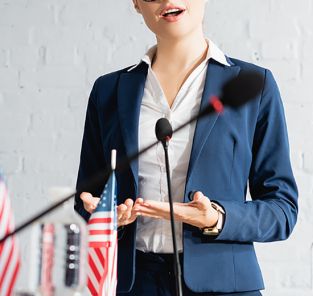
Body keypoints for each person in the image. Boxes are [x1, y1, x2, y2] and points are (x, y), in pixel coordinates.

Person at [74, 0, 299, 295]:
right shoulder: (108, 90)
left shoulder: (253, 84)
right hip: (132, 284)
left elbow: (282, 209)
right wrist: (106, 216)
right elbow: (85, 201)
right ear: (136, 4)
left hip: (224, 285)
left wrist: (217, 217)